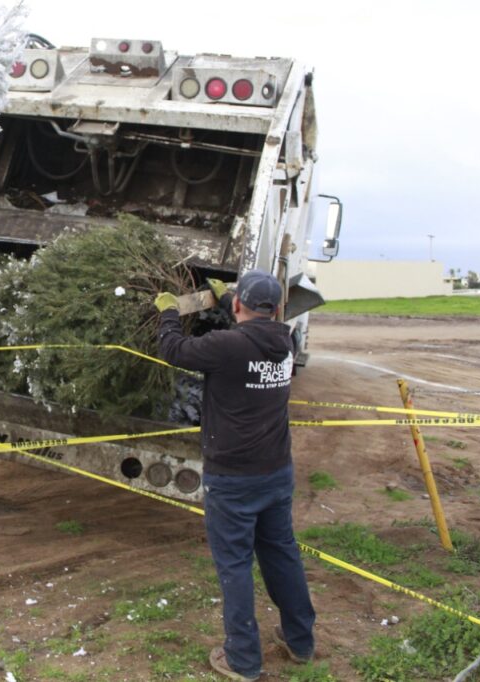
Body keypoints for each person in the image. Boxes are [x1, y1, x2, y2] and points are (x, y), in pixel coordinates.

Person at [154, 270, 315, 682]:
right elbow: (253, 327)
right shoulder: (286, 341)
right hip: (276, 472)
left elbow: (174, 348)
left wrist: (168, 312)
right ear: (277, 309)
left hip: (233, 479)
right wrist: (228, 300)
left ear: (241, 305)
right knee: (281, 552)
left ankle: (243, 659)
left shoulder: (225, 347)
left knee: (236, 565)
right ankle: (300, 641)